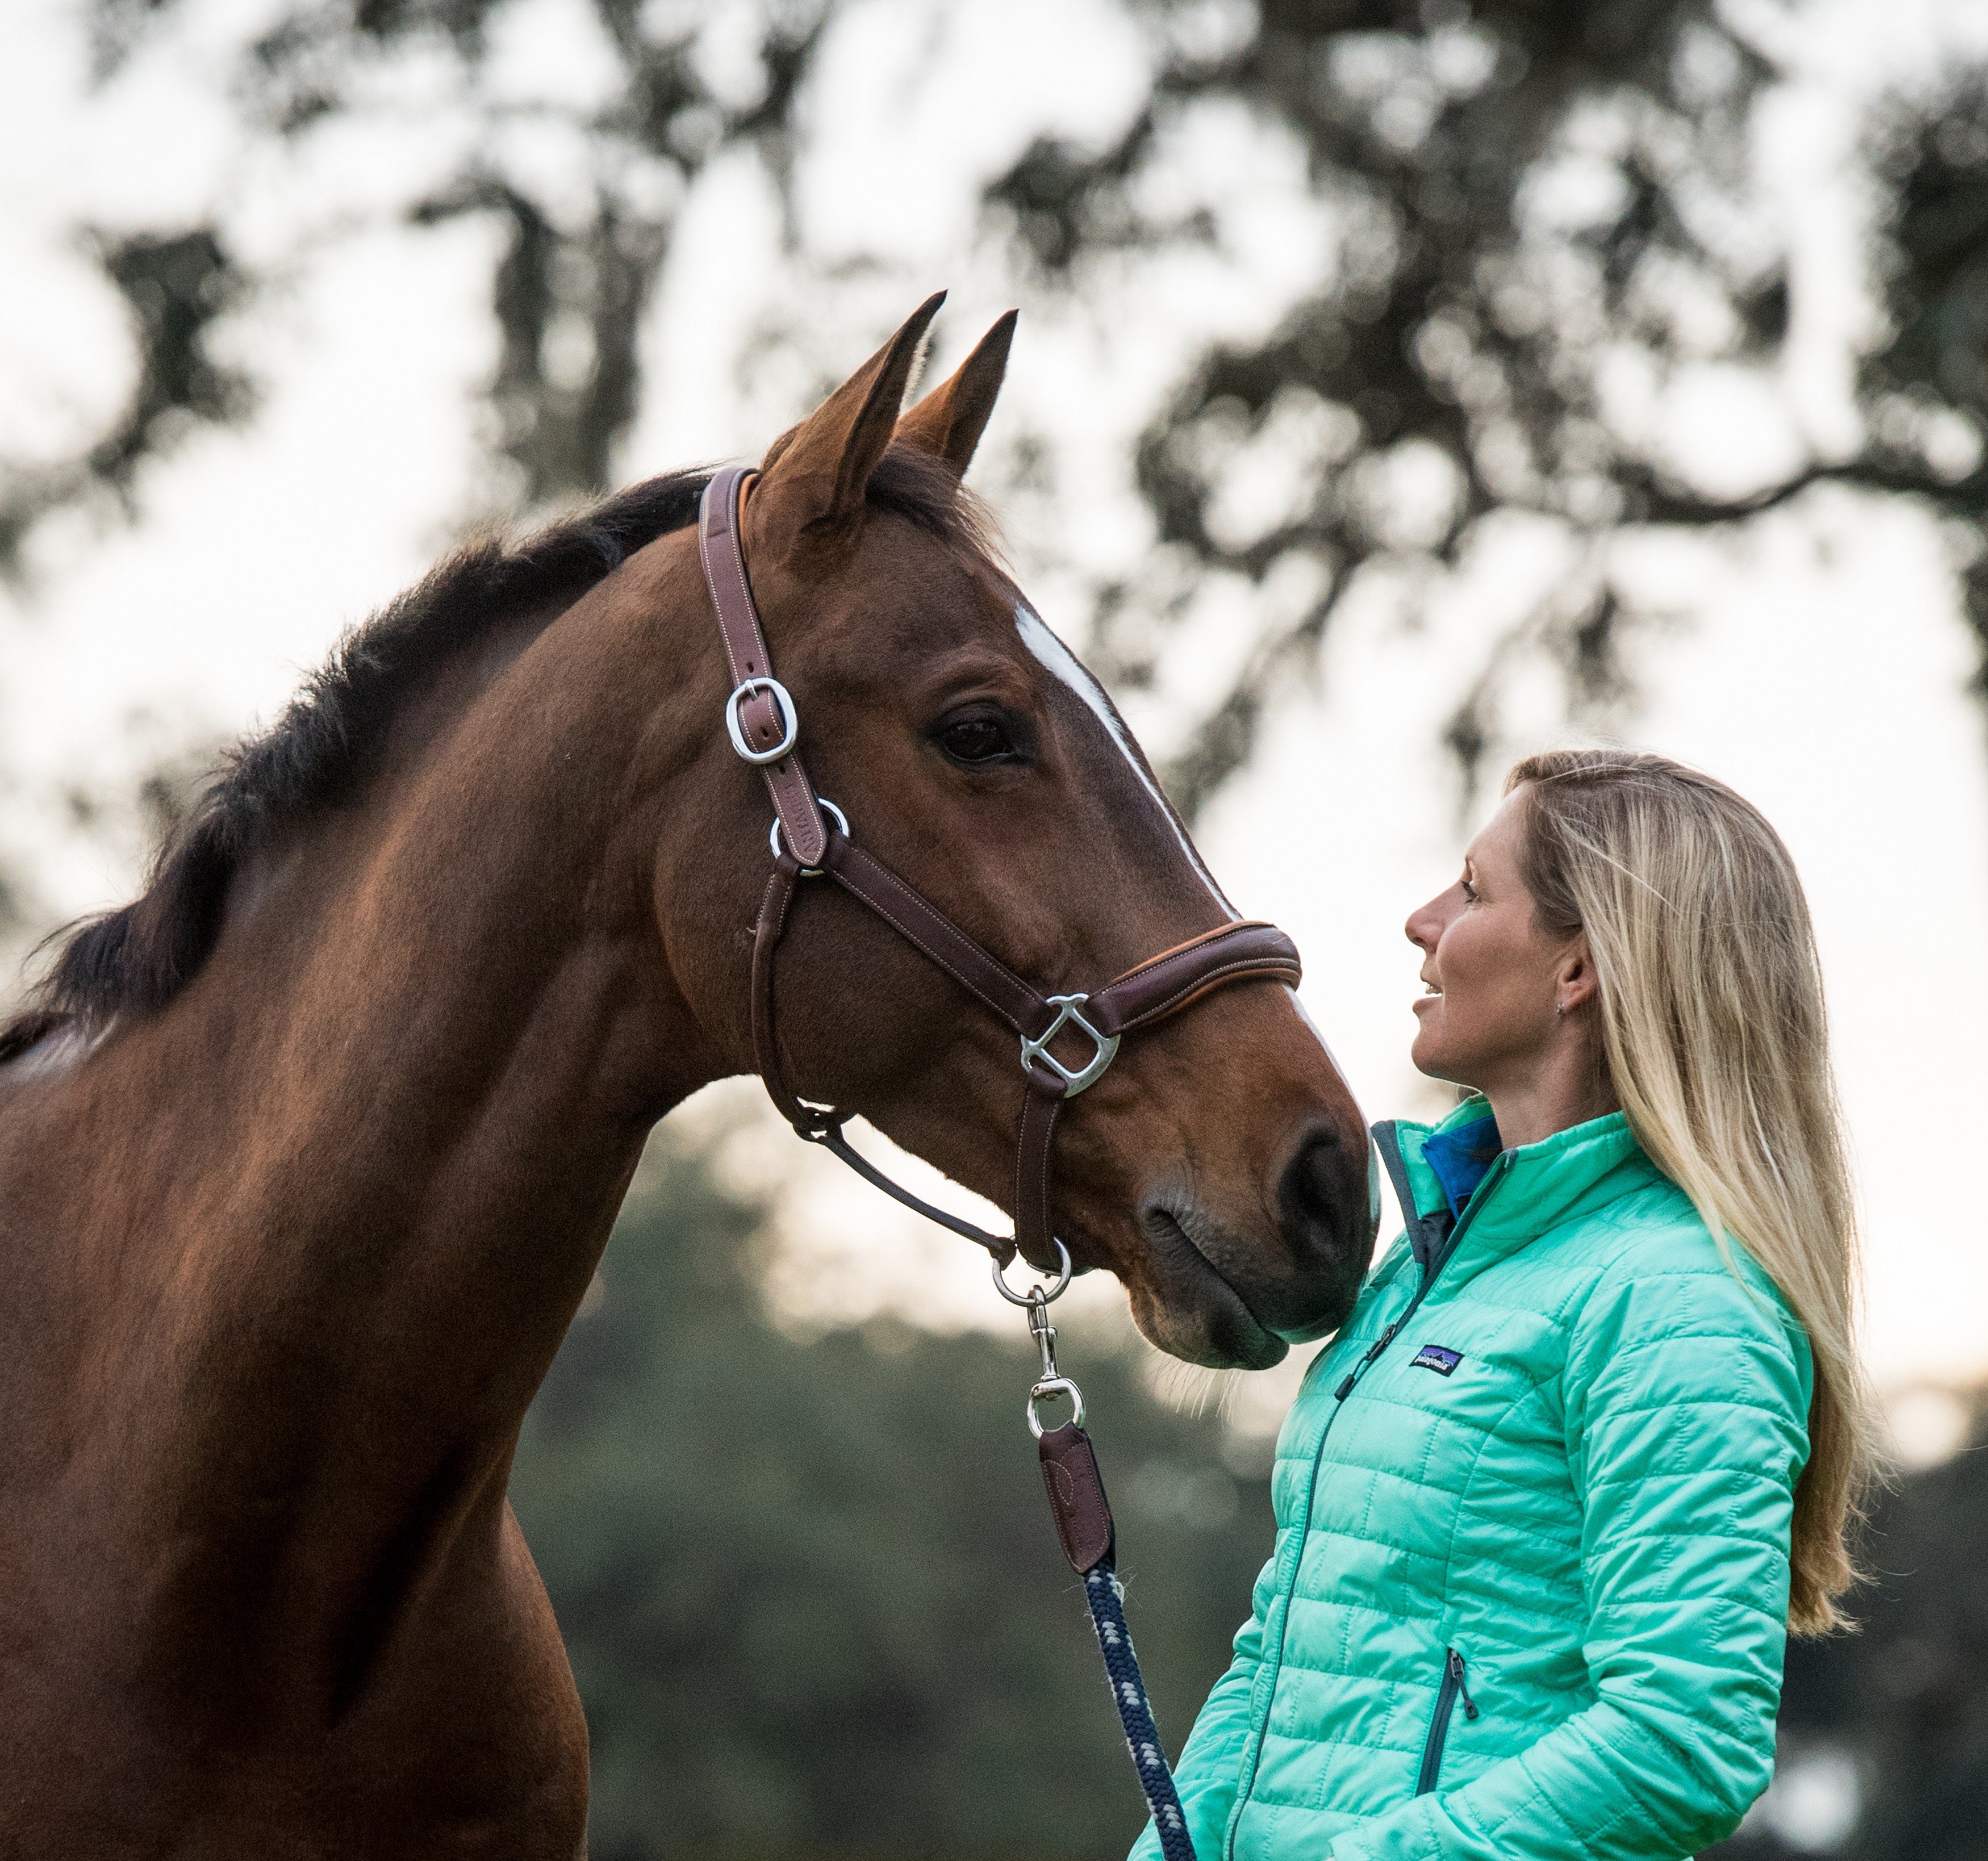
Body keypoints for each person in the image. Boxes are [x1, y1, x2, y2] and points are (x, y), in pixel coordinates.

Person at [1132, 748, 1880, 1861]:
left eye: (1474, 890)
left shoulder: (1681, 1305)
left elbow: (1683, 1739)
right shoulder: (1435, 1260)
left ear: (1577, 968)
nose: (1420, 921)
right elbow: (1284, 1646)